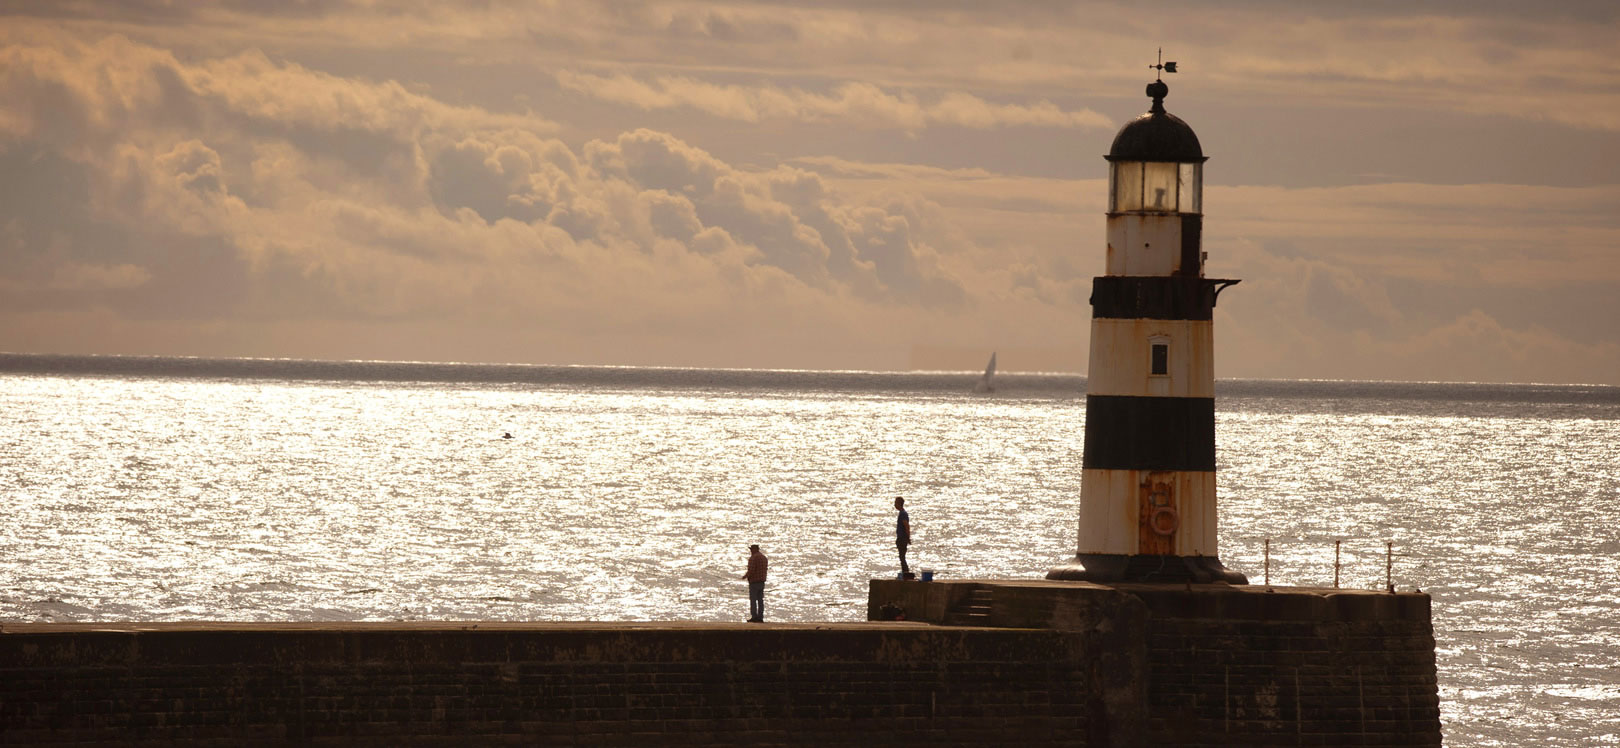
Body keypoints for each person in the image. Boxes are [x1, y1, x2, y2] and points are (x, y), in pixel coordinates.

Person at [742, 544, 768, 622]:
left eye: (751, 549)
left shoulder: (753, 558)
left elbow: (751, 570)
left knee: (753, 600)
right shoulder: (764, 557)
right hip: (762, 581)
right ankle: (760, 617)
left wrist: (745, 576)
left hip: (754, 582)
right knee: (760, 600)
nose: (750, 551)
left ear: (754, 549)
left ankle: (754, 617)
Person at [894, 496, 911, 578]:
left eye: (895, 503)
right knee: (901, 556)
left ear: (899, 504)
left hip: (902, 538)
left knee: (902, 556)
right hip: (901, 537)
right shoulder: (901, 513)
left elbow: (906, 526)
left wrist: (908, 537)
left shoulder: (903, 514)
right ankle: (905, 572)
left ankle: (906, 572)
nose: (894, 505)